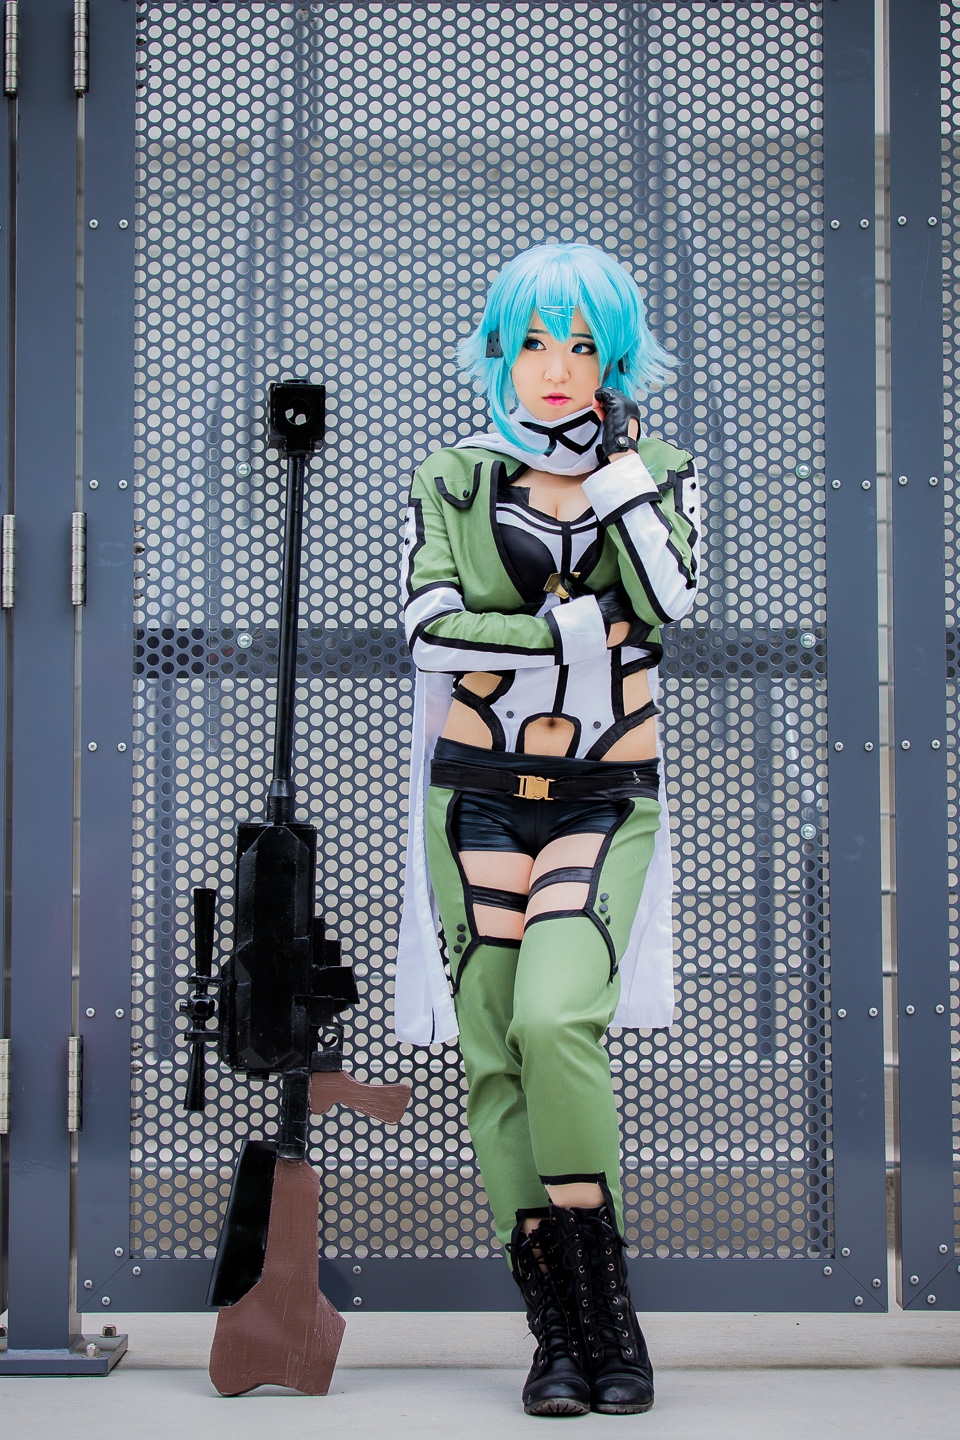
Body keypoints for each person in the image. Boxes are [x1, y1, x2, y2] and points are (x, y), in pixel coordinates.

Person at [394, 244, 700, 1416]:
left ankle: (610, 1318)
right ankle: (559, 1337)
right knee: (495, 1051)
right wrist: (573, 635)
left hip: (604, 792)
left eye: (581, 344)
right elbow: (430, 629)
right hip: (475, 787)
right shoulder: (453, 476)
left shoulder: (658, 471)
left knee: (555, 1017)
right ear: (499, 352)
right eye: (532, 342)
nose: (556, 367)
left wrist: (618, 476)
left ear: (616, 359)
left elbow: (669, 604)